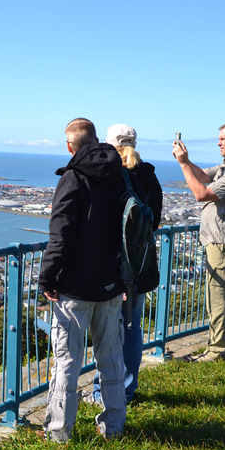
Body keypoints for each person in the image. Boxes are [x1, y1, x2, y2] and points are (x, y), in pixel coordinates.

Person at [39, 117, 129, 442]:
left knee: (66, 362)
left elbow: (60, 237)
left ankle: (59, 433)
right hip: (111, 284)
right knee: (111, 359)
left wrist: (46, 278)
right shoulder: (120, 176)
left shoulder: (73, 179)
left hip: (75, 288)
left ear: (69, 146)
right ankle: (114, 427)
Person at [86, 124, 163, 404]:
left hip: (111, 266)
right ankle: (126, 390)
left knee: (107, 330)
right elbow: (153, 222)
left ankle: (102, 391)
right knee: (132, 328)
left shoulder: (109, 175)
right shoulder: (148, 175)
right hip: (140, 264)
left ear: (107, 144)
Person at [172, 121, 225, 362]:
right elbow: (201, 175)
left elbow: (201, 193)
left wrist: (181, 163)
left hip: (224, 241)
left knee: (217, 296)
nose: (218, 142)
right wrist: (185, 161)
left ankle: (217, 351)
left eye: (222, 138)